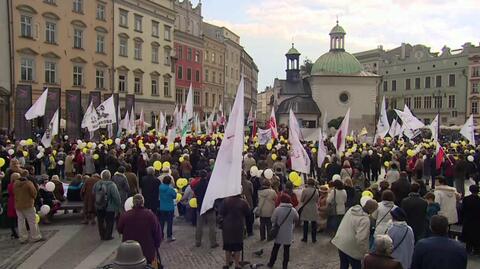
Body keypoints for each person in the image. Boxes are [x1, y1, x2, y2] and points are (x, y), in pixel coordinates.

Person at [332, 199, 378, 269]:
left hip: (341, 241)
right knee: (356, 266)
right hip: (352, 248)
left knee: (343, 265)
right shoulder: (365, 220)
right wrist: (365, 252)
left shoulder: (351, 210)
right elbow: (361, 239)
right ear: (371, 210)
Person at [117, 194, 162, 265]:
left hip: (129, 251)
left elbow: (119, 229)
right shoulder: (150, 215)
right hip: (148, 250)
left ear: (133, 202)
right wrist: (156, 245)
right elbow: (157, 232)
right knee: (151, 265)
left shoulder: (125, 215)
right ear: (143, 202)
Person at [267, 193, 299, 269]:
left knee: (275, 248)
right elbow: (297, 218)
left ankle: (271, 263)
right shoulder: (293, 210)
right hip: (288, 232)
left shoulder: (277, 209)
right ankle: (285, 266)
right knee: (286, 250)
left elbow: (272, 220)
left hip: (279, 232)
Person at [219, 194, 250, 269]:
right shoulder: (243, 202)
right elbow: (248, 212)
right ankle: (236, 264)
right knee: (237, 246)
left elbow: (221, 212)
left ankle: (226, 264)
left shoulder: (225, 201)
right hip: (238, 226)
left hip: (227, 226)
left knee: (228, 246)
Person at [92, 170, 121, 240]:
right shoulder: (112, 185)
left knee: (100, 221)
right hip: (110, 207)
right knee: (109, 221)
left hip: (99, 205)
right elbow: (116, 197)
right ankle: (108, 235)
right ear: (109, 176)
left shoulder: (97, 184)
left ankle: (102, 235)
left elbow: (93, 193)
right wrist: (118, 205)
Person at [193, 170, 218, 248]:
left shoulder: (197, 186)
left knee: (199, 225)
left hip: (200, 207)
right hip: (209, 207)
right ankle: (213, 242)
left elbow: (195, 194)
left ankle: (198, 241)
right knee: (212, 225)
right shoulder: (209, 185)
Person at [14, 176, 42, 243]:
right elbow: (34, 193)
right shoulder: (28, 183)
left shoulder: (15, 184)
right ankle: (35, 236)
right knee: (32, 221)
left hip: (18, 205)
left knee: (21, 222)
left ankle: (23, 238)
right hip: (28, 204)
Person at [460, 184, 480, 254]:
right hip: (477, 221)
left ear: (470, 190)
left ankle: (468, 249)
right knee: (477, 235)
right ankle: (477, 250)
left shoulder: (466, 199)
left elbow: (462, 210)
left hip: (468, 220)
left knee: (468, 235)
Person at [300, 178, 319, 243]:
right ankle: (314, 238)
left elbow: (302, 200)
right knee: (314, 224)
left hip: (306, 208)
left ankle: (305, 238)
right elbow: (317, 200)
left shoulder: (305, 190)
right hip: (314, 207)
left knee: (305, 223)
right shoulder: (316, 191)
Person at [158, 175, 176, 242]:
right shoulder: (170, 189)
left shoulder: (160, 187)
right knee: (169, 222)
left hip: (162, 206)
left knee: (161, 222)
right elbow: (174, 196)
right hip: (170, 207)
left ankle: (160, 235)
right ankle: (169, 236)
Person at [7, 172, 21, 239]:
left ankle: (13, 232)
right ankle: (16, 233)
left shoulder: (9, 185)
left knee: (12, 218)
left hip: (11, 201)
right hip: (16, 200)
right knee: (18, 217)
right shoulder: (17, 185)